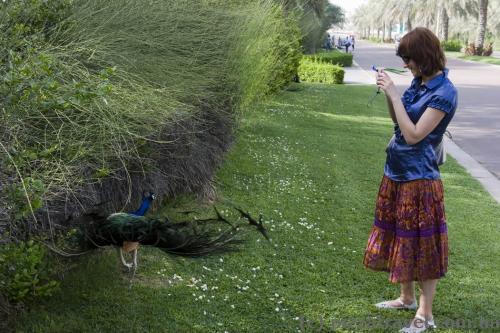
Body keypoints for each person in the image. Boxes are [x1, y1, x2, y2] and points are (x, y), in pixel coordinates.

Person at [363, 27, 457, 333]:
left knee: (422, 244)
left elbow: (415, 135)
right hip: (396, 173)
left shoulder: (445, 92)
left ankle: (425, 314)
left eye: (410, 59)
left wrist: (393, 92)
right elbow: (398, 120)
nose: (406, 66)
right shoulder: (419, 83)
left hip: (420, 179)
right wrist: (391, 96)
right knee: (400, 235)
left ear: (425, 56)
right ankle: (405, 297)